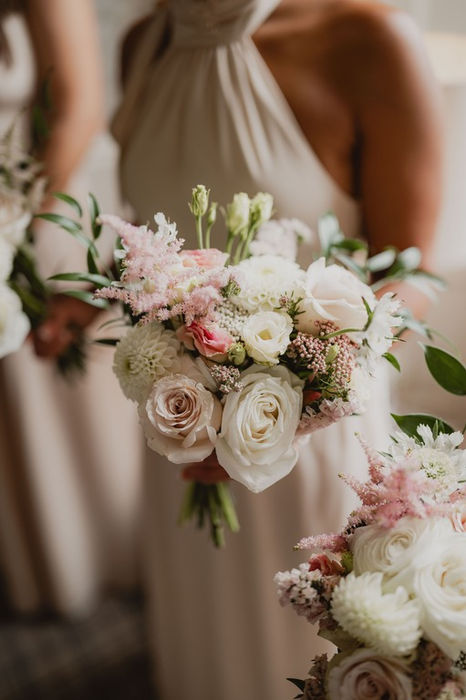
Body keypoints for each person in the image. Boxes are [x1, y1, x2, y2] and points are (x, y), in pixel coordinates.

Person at [114, 1, 442, 698]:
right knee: (203, 634)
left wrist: (281, 403)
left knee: (307, 651)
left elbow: (410, 278)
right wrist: (186, 388)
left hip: (313, 433)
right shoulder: (144, 42)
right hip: (181, 429)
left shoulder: (367, 40)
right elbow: (149, 247)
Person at [0, 0, 142, 615]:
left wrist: (12, 225)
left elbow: (79, 105)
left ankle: (90, 573)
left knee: (52, 413)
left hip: (35, 207)